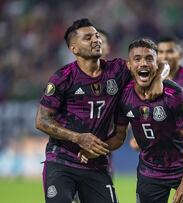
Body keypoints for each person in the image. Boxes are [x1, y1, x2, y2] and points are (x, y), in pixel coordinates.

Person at [35, 19, 168, 203]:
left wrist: (159, 78)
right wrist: (78, 138)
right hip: (62, 161)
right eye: (88, 37)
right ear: (74, 48)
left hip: (96, 164)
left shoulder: (117, 69)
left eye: (97, 36)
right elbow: (42, 121)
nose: (96, 40)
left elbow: (159, 64)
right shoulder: (62, 78)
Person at [82, 38, 183, 203]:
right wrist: (97, 149)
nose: (143, 63)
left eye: (149, 59)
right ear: (129, 65)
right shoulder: (123, 96)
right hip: (150, 173)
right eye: (137, 59)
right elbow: (119, 136)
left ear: (157, 65)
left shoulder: (175, 95)